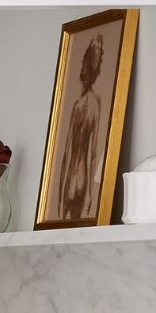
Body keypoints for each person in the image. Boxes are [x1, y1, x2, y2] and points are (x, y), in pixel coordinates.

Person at [56, 30, 107, 220]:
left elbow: (66, 154)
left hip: (69, 178)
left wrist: (60, 196)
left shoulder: (77, 105)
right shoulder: (95, 104)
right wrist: (90, 194)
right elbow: (92, 155)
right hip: (81, 178)